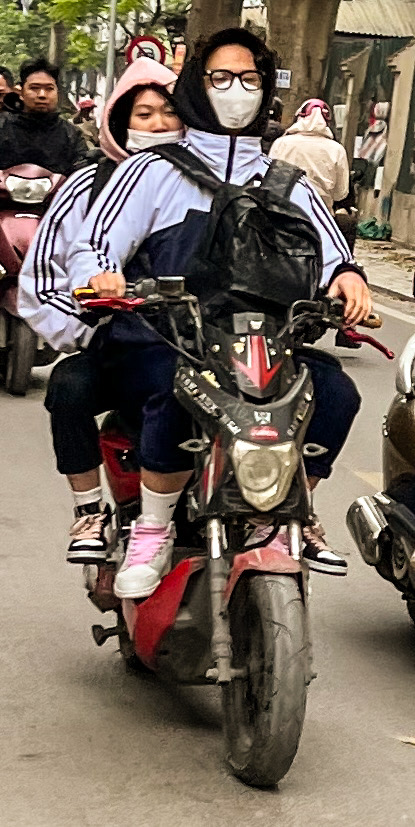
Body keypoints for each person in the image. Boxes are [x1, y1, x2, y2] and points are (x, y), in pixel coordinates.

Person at [45, 29, 370, 593]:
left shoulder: (286, 183)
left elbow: (333, 255)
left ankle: (290, 513)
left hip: (261, 350)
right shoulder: (152, 171)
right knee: (181, 386)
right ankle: (152, 527)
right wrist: (99, 274)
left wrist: (346, 278)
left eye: (249, 78)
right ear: (198, 86)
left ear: (266, 89)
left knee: (338, 394)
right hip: (166, 338)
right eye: (221, 78)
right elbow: (93, 245)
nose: (236, 90)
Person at [18, 57, 184, 558]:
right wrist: (93, 327)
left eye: (169, 113)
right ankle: (90, 511)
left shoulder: (207, 182)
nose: (158, 125)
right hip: (115, 344)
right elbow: (41, 279)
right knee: (69, 388)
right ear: (119, 121)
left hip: (199, 348)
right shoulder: (87, 184)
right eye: (144, 115)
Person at [0, 57, 88, 176]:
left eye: (49, 89)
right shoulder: (3, 127)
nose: (42, 95)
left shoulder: (71, 135)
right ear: (20, 92)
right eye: (34, 88)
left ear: (57, 92)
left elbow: (81, 172)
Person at [269, 98, 349, 213]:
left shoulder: (281, 143)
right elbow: (340, 193)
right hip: (319, 214)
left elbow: (270, 179)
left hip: (281, 211)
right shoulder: (337, 150)